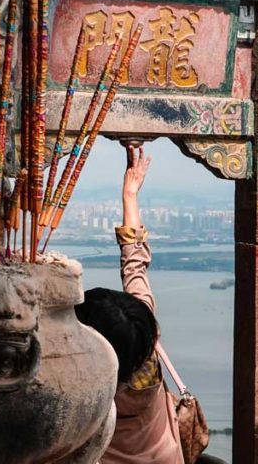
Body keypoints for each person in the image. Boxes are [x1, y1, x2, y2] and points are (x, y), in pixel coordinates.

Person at [74, 144, 184, 464]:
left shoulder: (89, 385)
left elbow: (133, 263)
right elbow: (135, 263)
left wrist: (129, 195)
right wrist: (131, 196)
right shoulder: (144, 341)